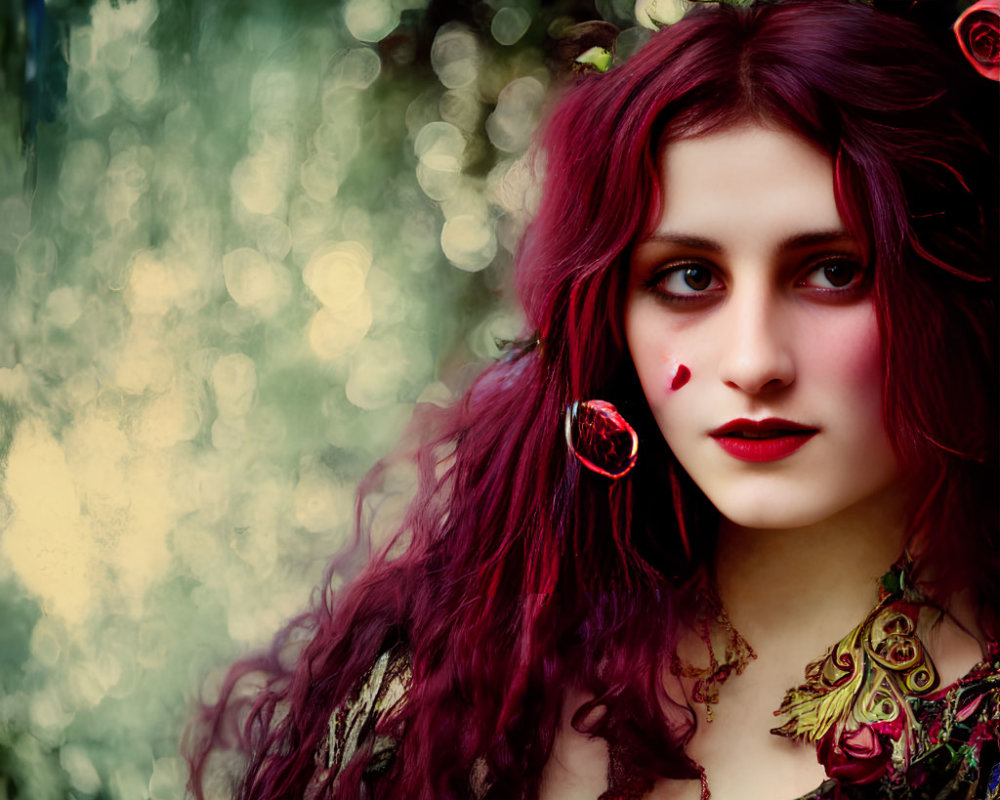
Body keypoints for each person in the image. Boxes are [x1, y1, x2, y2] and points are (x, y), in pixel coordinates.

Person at [185, 0, 999, 798]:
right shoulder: (472, 682)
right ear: (610, 313)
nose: (754, 362)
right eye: (688, 278)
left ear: (960, 285)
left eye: (833, 271)